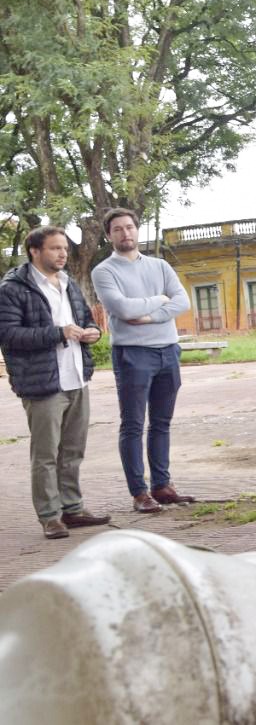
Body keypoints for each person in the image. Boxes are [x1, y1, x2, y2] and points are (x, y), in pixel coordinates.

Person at [0, 226, 112, 538]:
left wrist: (93, 332)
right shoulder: (13, 288)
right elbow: (8, 335)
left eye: (64, 248)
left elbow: (86, 319)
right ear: (35, 251)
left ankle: (73, 508)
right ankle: (50, 516)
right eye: (54, 248)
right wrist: (59, 332)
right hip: (42, 383)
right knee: (46, 455)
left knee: (73, 450)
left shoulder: (69, 283)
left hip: (76, 376)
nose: (63, 253)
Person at [92, 208, 195, 513]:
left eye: (130, 227)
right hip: (132, 353)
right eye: (118, 229)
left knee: (162, 422)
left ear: (138, 230)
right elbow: (122, 309)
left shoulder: (160, 266)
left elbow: (183, 301)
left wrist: (149, 314)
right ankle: (139, 492)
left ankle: (161, 485)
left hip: (168, 351)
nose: (126, 234)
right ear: (109, 235)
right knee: (134, 424)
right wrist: (161, 301)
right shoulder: (104, 271)